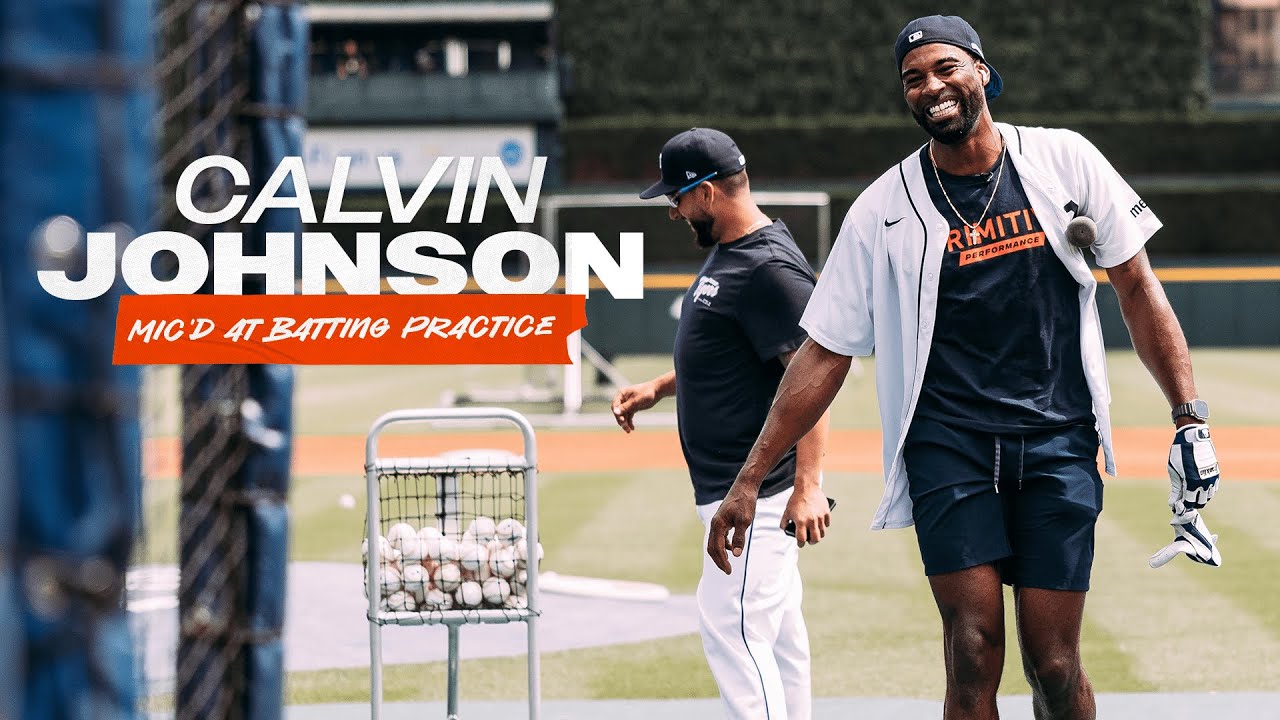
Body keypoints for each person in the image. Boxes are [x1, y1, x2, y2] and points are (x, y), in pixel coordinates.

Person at [706, 16, 1222, 720]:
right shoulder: (882, 209)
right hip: (950, 447)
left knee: (1056, 664)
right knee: (972, 649)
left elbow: (1135, 285)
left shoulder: (1063, 159)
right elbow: (824, 349)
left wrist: (1189, 417)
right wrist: (749, 479)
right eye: (913, 79)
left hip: (1056, 441)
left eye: (945, 68)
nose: (931, 87)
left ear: (981, 70)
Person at [612, 128, 831, 720]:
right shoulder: (734, 253)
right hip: (742, 492)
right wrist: (662, 385)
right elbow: (735, 353)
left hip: (754, 498)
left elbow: (814, 377)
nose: (674, 211)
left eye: (677, 198)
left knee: (732, 634)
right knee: (780, 643)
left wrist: (809, 484)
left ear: (706, 193)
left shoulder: (768, 268)